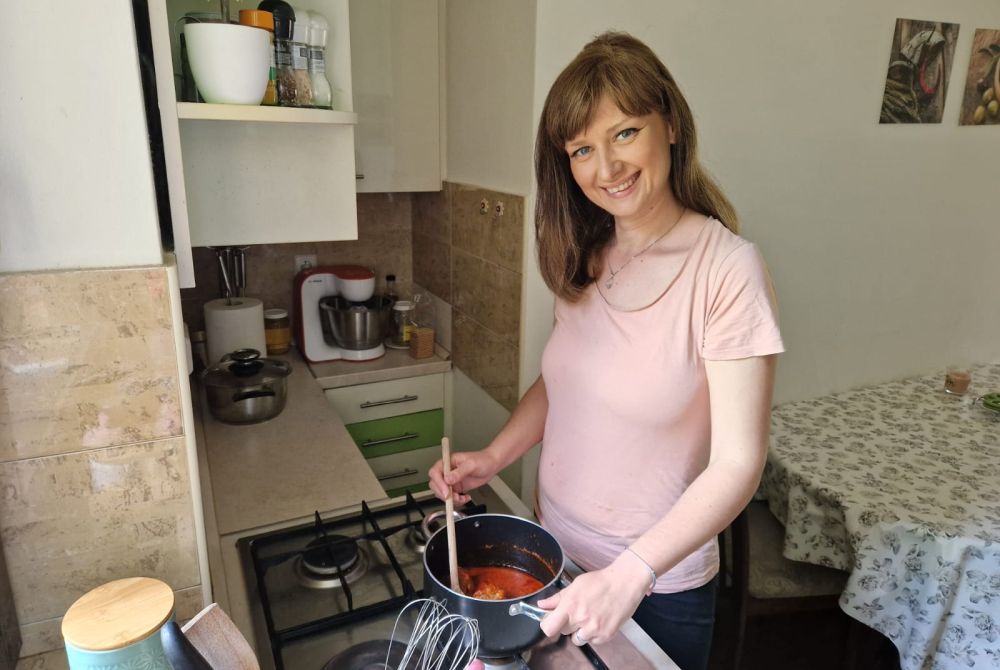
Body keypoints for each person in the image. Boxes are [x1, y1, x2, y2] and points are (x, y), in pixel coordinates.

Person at [428, 31, 783, 670]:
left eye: (624, 133)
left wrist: (631, 574)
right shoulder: (586, 256)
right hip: (552, 557)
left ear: (670, 125)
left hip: (655, 588)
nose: (606, 167)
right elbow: (562, 384)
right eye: (582, 150)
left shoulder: (728, 270)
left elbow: (739, 463)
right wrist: (494, 457)